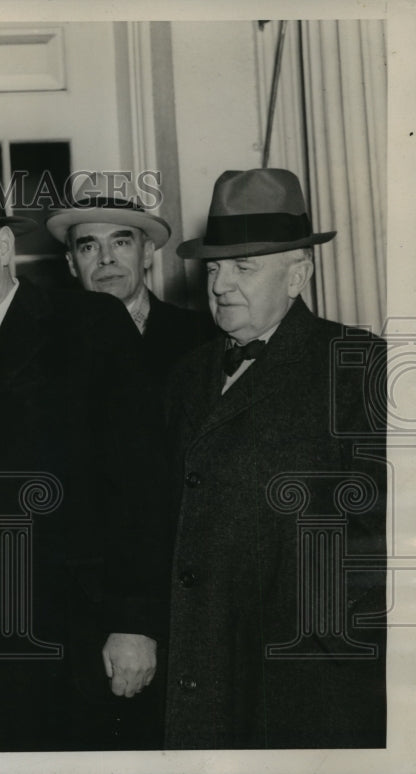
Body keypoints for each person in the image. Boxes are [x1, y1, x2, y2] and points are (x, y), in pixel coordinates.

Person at [0, 154, 171, 751]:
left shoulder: (88, 325)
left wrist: (135, 622)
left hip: (65, 637)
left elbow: (142, 483)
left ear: (2, 247)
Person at [164, 168, 386, 748]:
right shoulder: (187, 376)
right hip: (206, 659)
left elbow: (390, 524)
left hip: (307, 673)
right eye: (213, 268)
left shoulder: (358, 364)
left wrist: (331, 623)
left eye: (243, 267)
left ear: (297, 275)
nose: (220, 285)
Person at [46, 172, 215, 381]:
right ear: (72, 263)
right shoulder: (49, 346)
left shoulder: (201, 335)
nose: (106, 258)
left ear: (147, 253)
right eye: (89, 247)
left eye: (120, 243)